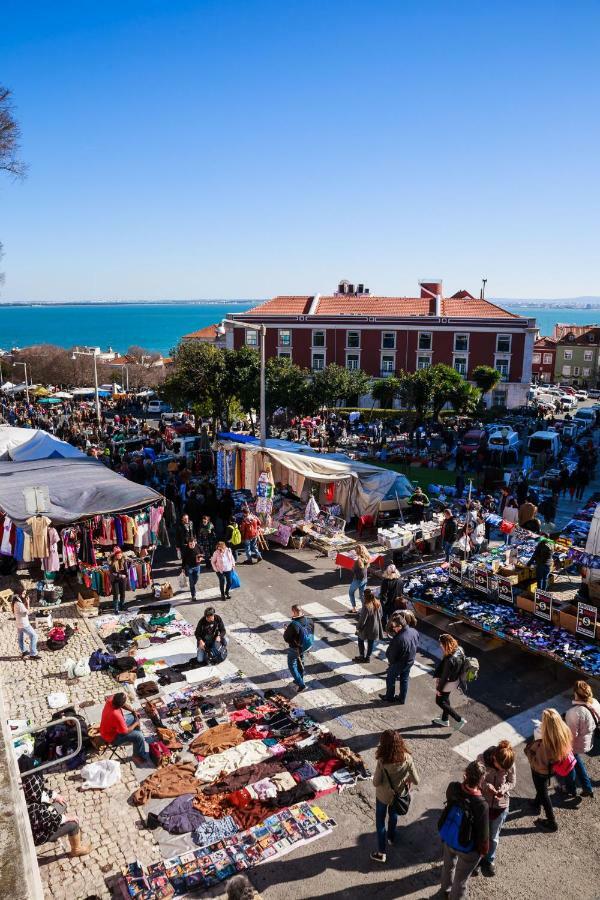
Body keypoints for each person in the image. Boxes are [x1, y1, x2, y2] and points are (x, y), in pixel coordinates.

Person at [19, 756, 92, 857]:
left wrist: (55, 795)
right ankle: (76, 849)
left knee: (62, 804)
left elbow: (40, 791)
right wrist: (67, 818)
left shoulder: (25, 788)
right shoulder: (34, 807)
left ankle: (58, 832)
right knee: (73, 824)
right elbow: (50, 817)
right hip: (38, 833)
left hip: (41, 819)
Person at [439, 760, 489, 899]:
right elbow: (483, 835)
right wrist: (483, 852)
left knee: (448, 866)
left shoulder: (453, 787)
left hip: (450, 837)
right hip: (468, 846)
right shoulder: (481, 805)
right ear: (481, 780)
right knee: (461, 879)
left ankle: (445, 888)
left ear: (465, 774)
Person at [370, 730, 420, 863]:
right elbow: (416, 780)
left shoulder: (382, 761)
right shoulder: (407, 758)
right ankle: (391, 837)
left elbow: (376, 782)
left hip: (383, 796)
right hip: (399, 794)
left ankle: (381, 852)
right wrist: (407, 779)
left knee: (380, 822)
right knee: (393, 815)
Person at [524, 707, 577, 832]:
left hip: (540, 769)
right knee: (541, 788)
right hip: (553, 767)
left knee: (543, 792)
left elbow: (534, 755)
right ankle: (536, 803)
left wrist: (528, 752)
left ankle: (551, 821)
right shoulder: (564, 731)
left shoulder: (540, 734)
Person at [475, 741, 516, 876]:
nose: (503, 770)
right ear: (494, 758)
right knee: (480, 834)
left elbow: (512, 781)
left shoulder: (508, 762)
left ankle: (489, 860)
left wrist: (504, 788)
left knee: (493, 836)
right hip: (483, 804)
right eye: (501, 767)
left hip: (501, 806)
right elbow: (476, 778)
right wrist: (487, 787)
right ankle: (475, 860)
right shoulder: (482, 759)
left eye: (505, 769)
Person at [565, 680, 600, 799]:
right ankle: (587, 787)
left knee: (569, 763)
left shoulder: (573, 712)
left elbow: (571, 735)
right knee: (576, 761)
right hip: (589, 740)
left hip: (576, 744)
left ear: (576, 693)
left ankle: (570, 789)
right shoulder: (595, 702)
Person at [379, 612, 419, 705]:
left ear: (400, 626)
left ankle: (389, 697)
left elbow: (392, 655)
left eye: (394, 627)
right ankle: (402, 698)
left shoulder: (399, 639)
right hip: (410, 660)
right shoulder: (414, 631)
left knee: (390, 678)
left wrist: (391, 664)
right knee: (404, 679)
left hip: (399, 663)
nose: (393, 629)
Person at [99, 692, 150, 765]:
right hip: (112, 737)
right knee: (139, 736)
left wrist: (133, 711)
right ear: (120, 705)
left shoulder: (111, 699)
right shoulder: (116, 715)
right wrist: (136, 723)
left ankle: (136, 743)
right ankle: (138, 755)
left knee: (135, 716)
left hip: (108, 728)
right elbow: (125, 731)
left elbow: (124, 705)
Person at [432, 634, 467, 731]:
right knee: (445, 699)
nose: (440, 646)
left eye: (441, 644)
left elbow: (444, 677)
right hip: (455, 681)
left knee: (440, 701)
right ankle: (444, 719)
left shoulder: (449, 660)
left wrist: (439, 689)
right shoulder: (460, 649)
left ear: (446, 645)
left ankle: (459, 719)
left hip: (447, 683)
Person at [283, 605, 314, 693]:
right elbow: (310, 632)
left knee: (292, 664)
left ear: (294, 612)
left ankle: (301, 684)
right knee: (301, 660)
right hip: (306, 645)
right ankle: (299, 678)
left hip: (296, 648)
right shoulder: (310, 620)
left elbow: (287, 638)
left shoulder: (293, 625)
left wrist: (286, 630)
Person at [355, 589, 384, 663]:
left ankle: (362, 656)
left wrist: (358, 627)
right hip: (375, 626)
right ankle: (368, 657)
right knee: (371, 643)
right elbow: (381, 614)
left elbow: (363, 619)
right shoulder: (378, 603)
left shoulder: (366, 606)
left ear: (366, 597)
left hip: (367, 628)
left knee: (360, 640)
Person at [12, 591, 40, 660]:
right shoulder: (19, 604)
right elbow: (27, 612)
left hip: (19, 623)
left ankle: (24, 651)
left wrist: (25, 602)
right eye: (23, 593)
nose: (24, 594)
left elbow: (22, 612)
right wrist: (28, 603)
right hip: (24, 624)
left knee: (21, 638)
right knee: (34, 636)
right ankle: (33, 654)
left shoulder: (16, 601)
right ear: (19, 593)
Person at [348, 544, 371, 614]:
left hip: (358, 580)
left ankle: (354, 608)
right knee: (362, 595)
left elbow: (355, 570)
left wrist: (353, 567)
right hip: (364, 579)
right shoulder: (366, 558)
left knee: (351, 592)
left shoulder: (358, 560)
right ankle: (365, 608)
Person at [110, 547, 128, 613]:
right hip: (115, 579)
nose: (119, 556)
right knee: (116, 593)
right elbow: (112, 573)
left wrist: (126, 576)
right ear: (115, 555)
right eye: (118, 555)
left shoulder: (124, 560)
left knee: (123, 593)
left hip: (123, 579)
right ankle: (116, 608)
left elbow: (126, 569)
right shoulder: (112, 562)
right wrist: (120, 575)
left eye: (120, 555)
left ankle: (122, 605)